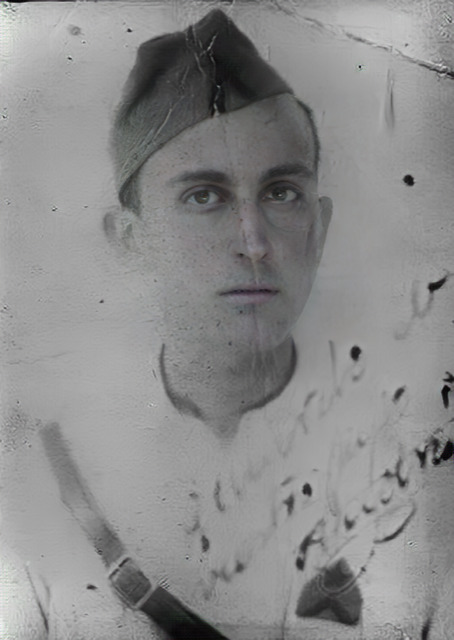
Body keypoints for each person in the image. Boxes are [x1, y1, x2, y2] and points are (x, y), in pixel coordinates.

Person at [1, 8, 452, 640]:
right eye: (204, 196)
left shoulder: (421, 477)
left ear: (319, 227)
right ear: (131, 238)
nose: (254, 243)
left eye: (281, 192)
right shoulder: (38, 488)